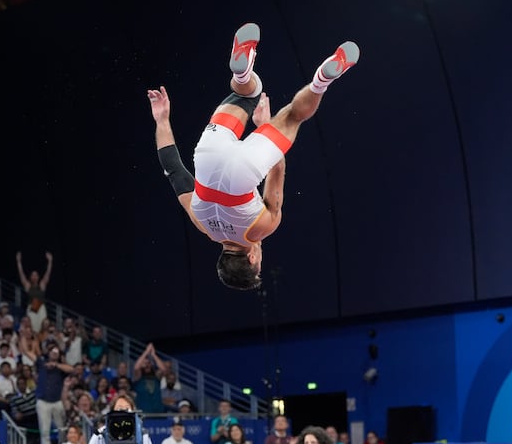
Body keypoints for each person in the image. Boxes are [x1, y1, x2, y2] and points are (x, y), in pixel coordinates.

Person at [148, 23, 359, 289]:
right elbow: (173, 171)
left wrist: (265, 125)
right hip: (208, 155)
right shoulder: (201, 225)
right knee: (245, 93)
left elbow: (277, 165)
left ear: (252, 256)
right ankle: (242, 74)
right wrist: (162, 119)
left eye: (259, 263)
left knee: (294, 116)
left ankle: (322, 80)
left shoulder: (262, 229)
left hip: (244, 171)